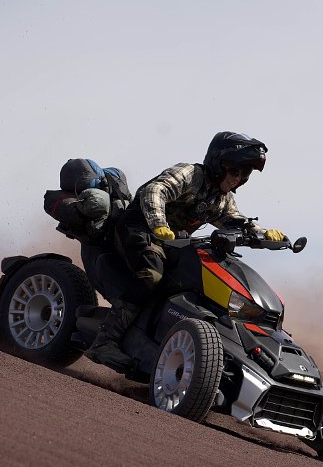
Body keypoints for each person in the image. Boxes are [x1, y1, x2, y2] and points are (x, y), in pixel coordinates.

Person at [85, 131, 286, 370]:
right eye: (235, 170)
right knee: (153, 274)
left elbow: (234, 220)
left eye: (245, 174)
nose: (238, 178)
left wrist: (264, 234)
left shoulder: (222, 197)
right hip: (139, 228)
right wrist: (159, 223)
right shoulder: (191, 174)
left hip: (172, 242)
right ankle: (105, 342)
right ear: (218, 163)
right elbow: (155, 191)